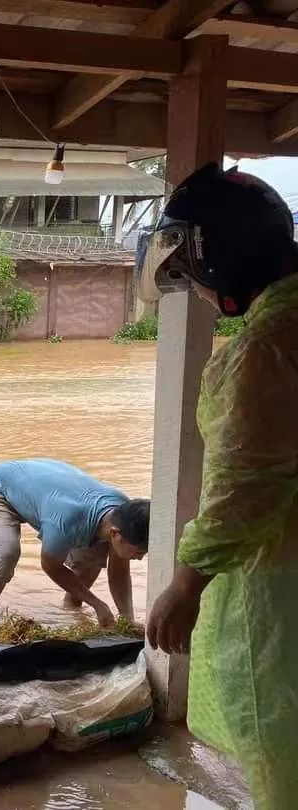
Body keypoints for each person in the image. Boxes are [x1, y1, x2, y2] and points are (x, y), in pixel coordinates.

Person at [142, 163, 298, 810]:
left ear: (217, 265)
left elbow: (245, 481)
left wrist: (187, 581)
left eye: (191, 276)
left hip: (281, 594)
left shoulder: (268, 347)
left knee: (280, 749)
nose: (196, 293)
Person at [0, 458, 150, 625]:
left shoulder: (125, 513)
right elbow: (51, 566)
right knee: (6, 552)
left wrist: (127, 621)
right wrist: (97, 604)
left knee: (91, 559)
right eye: (138, 553)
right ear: (115, 534)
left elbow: (118, 572)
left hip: (43, 484)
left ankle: (72, 613)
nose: (140, 558)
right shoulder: (65, 521)